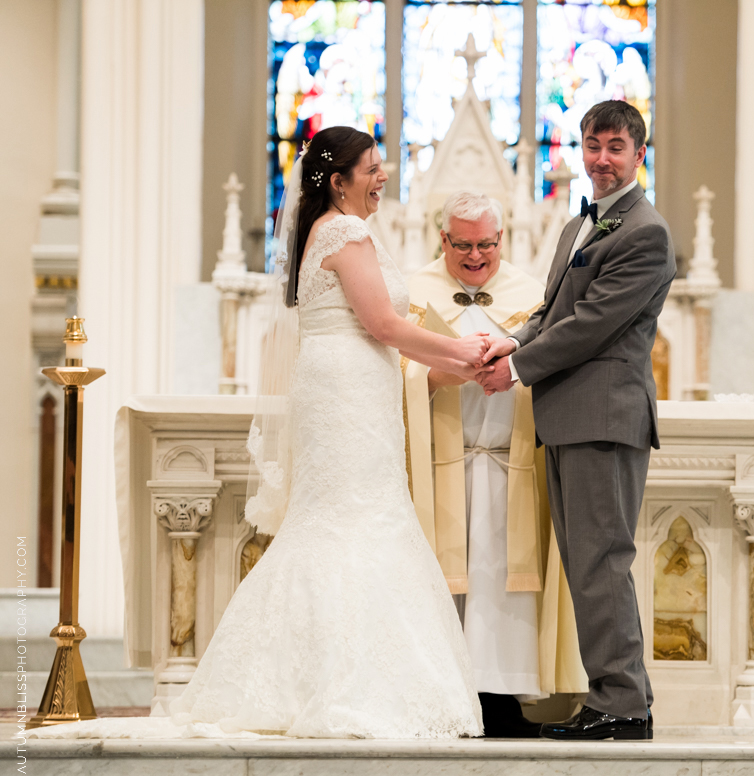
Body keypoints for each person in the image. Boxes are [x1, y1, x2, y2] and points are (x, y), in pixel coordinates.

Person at [34, 126, 493, 740]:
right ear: (338, 180)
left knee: (344, 520)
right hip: (347, 389)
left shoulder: (329, 231)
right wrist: (461, 350)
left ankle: (320, 676)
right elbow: (383, 322)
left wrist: (450, 363)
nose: (383, 177)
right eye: (372, 168)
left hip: (351, 385)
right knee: (354, 520)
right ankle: (345, 684)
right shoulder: (344, 231)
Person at [479, 100, 676, 741]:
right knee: (585, 563)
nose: (601, 158)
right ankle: (623, 696)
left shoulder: (645, 232)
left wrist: (516, 369)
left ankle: (621, 704)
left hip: (604, 416)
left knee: (600, 563)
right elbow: (553, 308)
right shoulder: (577, 227)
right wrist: (513, 341)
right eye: (592, 144)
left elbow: (592, 326)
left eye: (615, 146)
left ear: (639, 154)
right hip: (567, 417)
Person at [403, 191, 588, 737]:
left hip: (512, 464)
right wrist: (438, 375)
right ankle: (449, 693)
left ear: (502, 240)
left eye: (487, 244)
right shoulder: (413, 293)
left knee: (503, 585)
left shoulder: (532, 295)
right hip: (443, 460)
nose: (477, 256)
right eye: (464, 245)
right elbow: (391, 370)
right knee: (450, 583)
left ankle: (504, 696)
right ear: (443, 240)